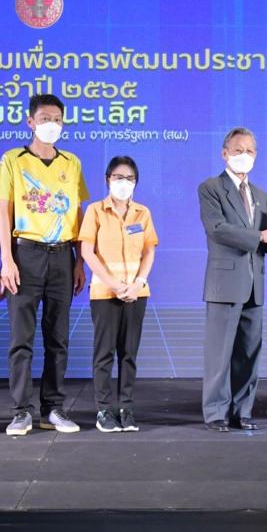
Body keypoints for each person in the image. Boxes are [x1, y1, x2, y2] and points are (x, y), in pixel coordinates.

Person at [0, 94, 89, 436]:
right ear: (30, 122)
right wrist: (6, 260)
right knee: (22, 339)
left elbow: (77, 212)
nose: (52, 125)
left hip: (62, 256)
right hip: (26, 255)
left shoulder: (71, 162)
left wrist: (79, 261)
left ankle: (53, 408)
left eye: (57, 119)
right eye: (45, 118)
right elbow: (3, 213)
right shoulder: (12, 160)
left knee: (57, 338)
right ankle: (21, 411)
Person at [198, 127, 267, 432]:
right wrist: (261, 236)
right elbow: (217, 229)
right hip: (224, 284)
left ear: (256, 155)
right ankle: (216, 414)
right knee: (220, 354)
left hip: (255, 285)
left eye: (250, 151)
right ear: (225, 153)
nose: (244, 155)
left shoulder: (261, 195)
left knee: (249, 353)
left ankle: (242, 411)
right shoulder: (210, 188)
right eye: (238, 150)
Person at [79, 156, 158, 432]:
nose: (124, 183)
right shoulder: (95, 211)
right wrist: (113, 284)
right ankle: (104, 410)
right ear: (108, 179)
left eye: (129, 178)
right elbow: (87, 251)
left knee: (129, 353)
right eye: (118, 177)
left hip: (136, 293)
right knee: (104, 354)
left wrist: (138, 283)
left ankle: (126, 408)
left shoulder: (142, 213)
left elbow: (149, 251)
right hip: (105, 293)